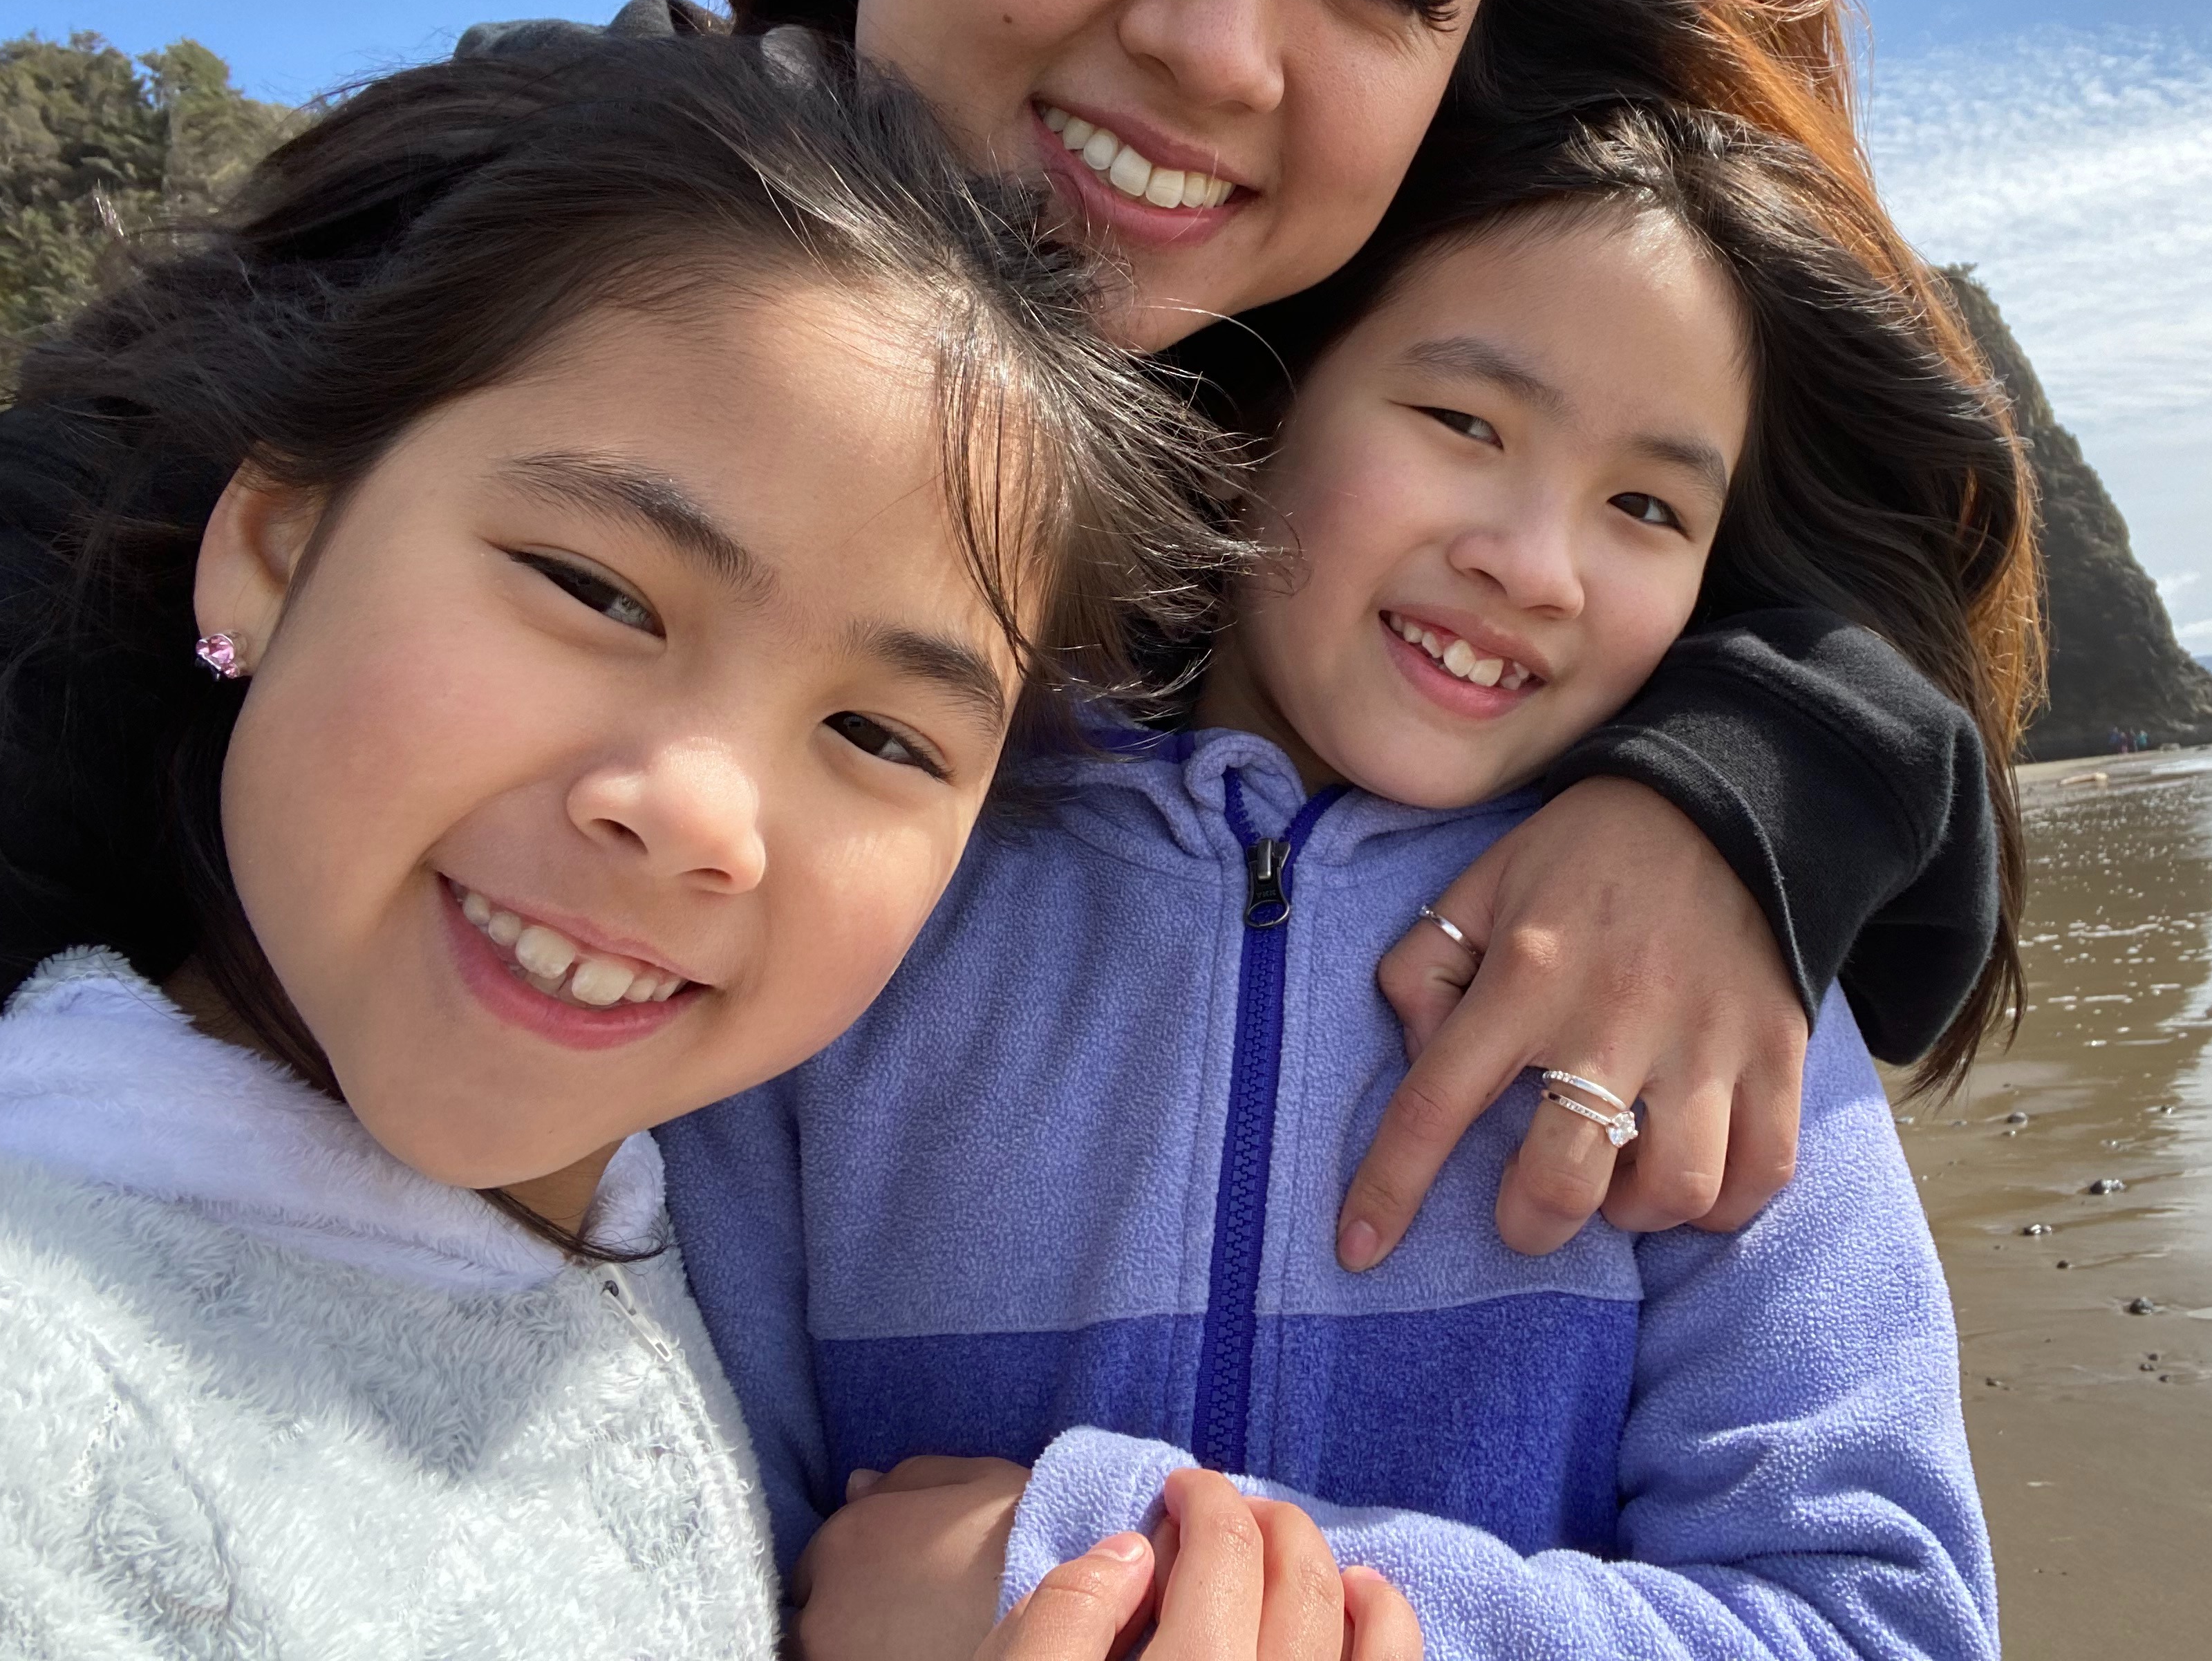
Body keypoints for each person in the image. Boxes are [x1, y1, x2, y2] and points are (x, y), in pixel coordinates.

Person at [0, 0, 2039, 1266]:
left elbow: (1878, 693)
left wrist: (1730, 792)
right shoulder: (533, 259)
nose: (1220, 47)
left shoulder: (1354, 432)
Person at [0, 36, 1419, 1661]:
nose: (700, 812)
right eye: (596, 591)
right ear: (277, 546)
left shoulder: (661, 1246)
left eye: (881, 738)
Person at [670, 102, 2012, 1658]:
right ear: (1266, 400)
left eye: (1648, 507)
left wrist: (1101, 1587)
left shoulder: (1703, 994)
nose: (1536, 564)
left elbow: (1885, 1621)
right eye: (1464, 422)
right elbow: (665, 1525)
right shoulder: (893, 871)